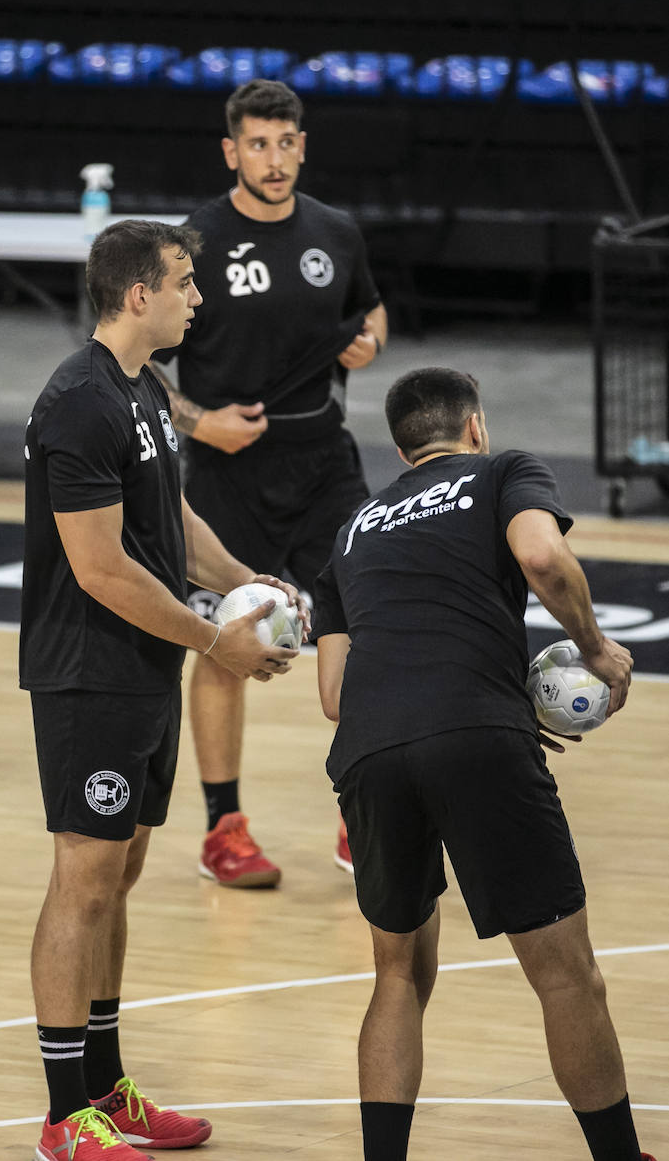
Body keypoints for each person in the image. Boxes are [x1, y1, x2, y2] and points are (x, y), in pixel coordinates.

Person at [314, 367, 656, 1161]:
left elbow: (332, 693)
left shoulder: (352, 530)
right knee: (566, 975)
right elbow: (541, 556)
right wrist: (598, 650)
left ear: (401, 449)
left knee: (397, 974)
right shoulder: (502, 470)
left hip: (366, 749)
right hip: (475, 737)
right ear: (473, 428)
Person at [20, 218, 306, 1160]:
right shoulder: (78, 405)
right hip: (87, 675)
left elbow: (170, 521)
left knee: (123, 875)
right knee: (84, 879)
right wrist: (214, 643)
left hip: (144, 669)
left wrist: (246, 582)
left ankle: (109, 1089)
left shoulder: (143, 389)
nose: (196, 297)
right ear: (137, 294)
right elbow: (100, 569)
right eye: (184, 282)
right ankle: (67, 1118)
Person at [152, 77, 387, 887]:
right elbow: (141, 368)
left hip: (324, 463)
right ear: (231, 151)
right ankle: (224, 829)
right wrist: (198, 423)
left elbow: (370, 314)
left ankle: (361, 815)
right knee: (225, 643)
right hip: (226, 473)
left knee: (364, 632)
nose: (275, 159)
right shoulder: (192, 244)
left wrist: (368, 343)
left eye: (286, 143)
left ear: (302, 146)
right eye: (258, 143)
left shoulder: (336, 232)